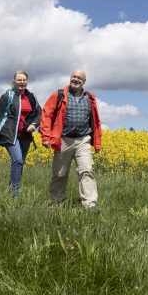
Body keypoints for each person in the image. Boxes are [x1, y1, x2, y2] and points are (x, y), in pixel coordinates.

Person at [39, 68, 101, 209]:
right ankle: (56, 203)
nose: (76, 79)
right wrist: (46, 137)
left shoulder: (90, 98)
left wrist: (96, 142)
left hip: (83, 139)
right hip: (63, 140)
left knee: (87, 170)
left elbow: (96, 121)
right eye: (74, 76)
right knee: (60, 173)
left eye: (79, 78)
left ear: (84, 81)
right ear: (70, 78)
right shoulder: (60, 95)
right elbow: (46, 114)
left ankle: (90, 205)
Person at [0, 71, 41, 198]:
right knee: (18, 160)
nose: (22, 82)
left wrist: (34, 124)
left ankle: (13, 189)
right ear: (14, 81)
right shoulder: (7, 96)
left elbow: (39, 113)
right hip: (9, 133)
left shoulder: (31, 97)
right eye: (19, 80)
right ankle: (15, 195)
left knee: (20, 163)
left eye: (24, 80)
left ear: (27, 81)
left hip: (25, 135)